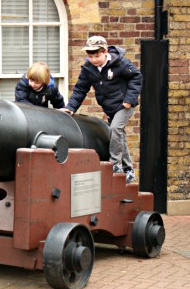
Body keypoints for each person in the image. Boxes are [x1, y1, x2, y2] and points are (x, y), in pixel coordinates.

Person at [60, 36, 142, 183]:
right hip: (109, 107)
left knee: (115, 129)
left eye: (97, 56)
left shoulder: (120, 63)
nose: (94, 60)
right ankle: (128, 170)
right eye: (90, 56)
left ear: (105, 51)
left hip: (124, 105)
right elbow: (80, 89)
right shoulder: (88, 69)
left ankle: (115, 165)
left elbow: (136, 77)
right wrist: (70, 108)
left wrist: (129, 100)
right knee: (119, 136)